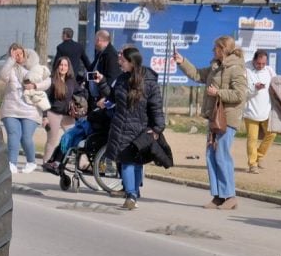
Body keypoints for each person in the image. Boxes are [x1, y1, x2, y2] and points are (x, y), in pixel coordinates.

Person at [175, 36, 248, 210]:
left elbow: (240, 95)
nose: (212, 51)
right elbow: (198, 75)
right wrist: (182, 61)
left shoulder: (236, 69)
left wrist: (218, 93)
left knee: (222, 156)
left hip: (227, 119)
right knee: (211, 156)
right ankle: (218, 196)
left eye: (215, 48)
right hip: (214, 117)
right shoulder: (215, 67)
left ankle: (230, 196)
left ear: (223, 49)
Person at [104, 46, 166, 210]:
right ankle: (134, 192)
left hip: (140, 129)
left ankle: (131, 195)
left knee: (130, 162)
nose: (120, 63)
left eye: (122, 61)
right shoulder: (122, 79)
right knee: (130, 162)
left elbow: (156, 107)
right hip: (121, 127)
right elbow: (111, 97)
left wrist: (158, 128)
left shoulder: (149, 82)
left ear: (131, 62)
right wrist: (102, 83)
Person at [0, 43, 50, 175]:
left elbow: (48, 81)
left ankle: (31, 161)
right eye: (15, 54)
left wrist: (35, 85)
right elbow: (3, 76)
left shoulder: (35, 67)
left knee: (26, 137)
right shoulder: (10, 68)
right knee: (14, 134)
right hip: (11, 108)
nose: (18, 56)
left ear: (25, 53)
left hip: (30, 109)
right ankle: (12, 163)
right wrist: (11, 60)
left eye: (20, 53)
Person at [42, 55, 85, 167]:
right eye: (61, 65)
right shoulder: (51, 81)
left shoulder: (71, 81)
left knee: (74, 137)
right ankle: (47, 163)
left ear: (68, 67)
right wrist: (45, 116)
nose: (63, 67)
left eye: (65, 65)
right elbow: (44, 99)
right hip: (53, 113)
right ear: (57, 66)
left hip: (68, 115)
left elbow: (80, 92)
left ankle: (82, 164)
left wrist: (79, 100)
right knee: (52, 140)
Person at [243, 49, 275, 174]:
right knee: (252, 138)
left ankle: (259, 156)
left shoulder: (269, 70)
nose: (261, 66)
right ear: (253, 60)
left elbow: (275, 84)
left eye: (263, 64)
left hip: (266, 111)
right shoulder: (246, 70)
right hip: (250, 111)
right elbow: (243, 91)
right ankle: (252, 164)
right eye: (258, 63)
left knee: (272, 133)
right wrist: (254, 88)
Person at [86, 30, 121, 101]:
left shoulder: (111, 55)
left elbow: (112, 78)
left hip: (103, 99)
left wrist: (105, 97)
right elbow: (93, 70)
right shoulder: (101, 53)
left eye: (95, 39)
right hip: (94, 97)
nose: (94, 43)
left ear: (98, 40)